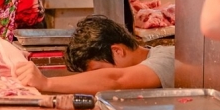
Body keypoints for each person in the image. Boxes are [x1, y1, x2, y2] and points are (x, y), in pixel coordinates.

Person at [16, 15, 174, 94]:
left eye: (99, 71)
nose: (98, 79)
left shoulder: (167, 58)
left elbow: (116, 79)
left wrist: (46, 83)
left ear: (117, 51)